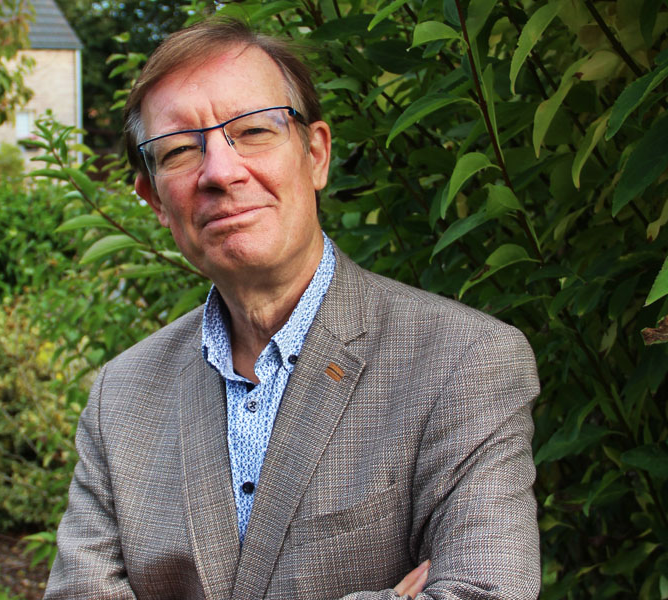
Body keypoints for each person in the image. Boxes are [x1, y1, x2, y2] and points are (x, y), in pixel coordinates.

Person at [45, 18, 540, 600]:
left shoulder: (464, 362)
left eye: (253, 131)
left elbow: (488, 591)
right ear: (154, 199)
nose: (221, 171)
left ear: (316, 154)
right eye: (179, 150)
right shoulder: (120, 398)